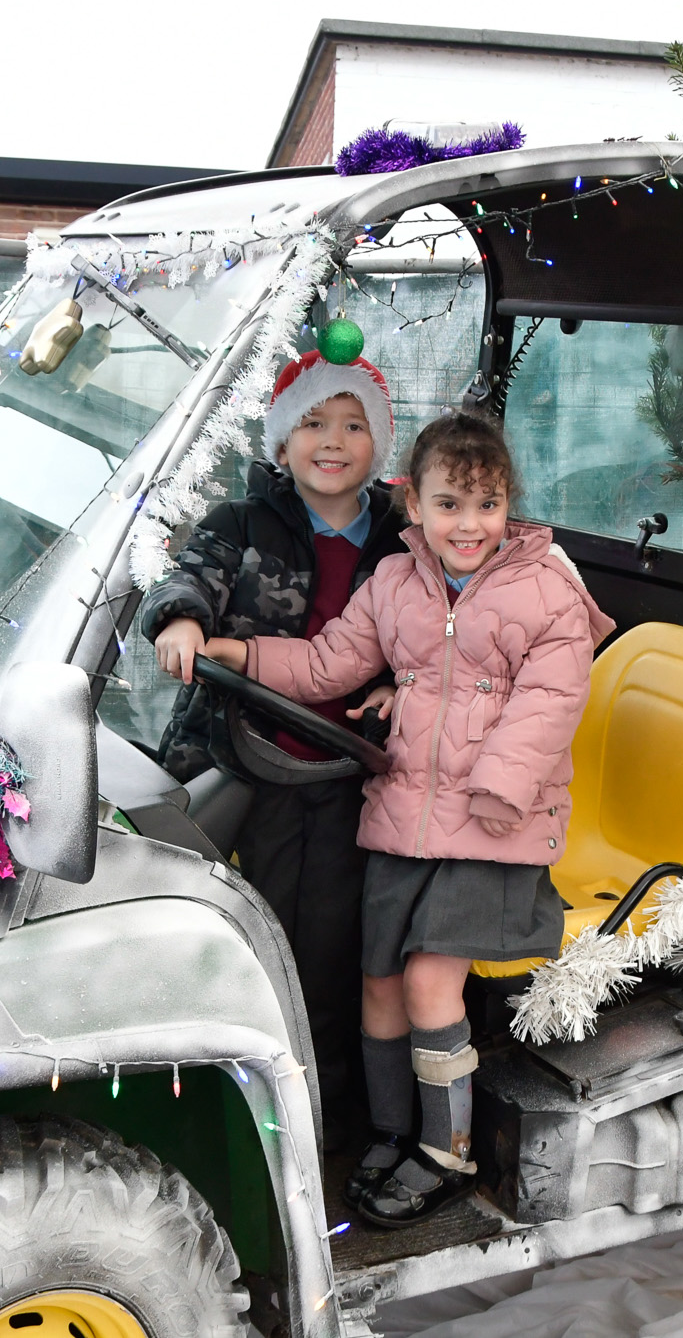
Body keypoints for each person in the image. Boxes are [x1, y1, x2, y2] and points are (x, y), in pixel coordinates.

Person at [204, 410, 616, 1227]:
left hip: (497, 828)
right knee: (381, 979)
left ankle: (448, 1148)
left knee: (430, 981)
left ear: (508, 505)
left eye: (487, 505)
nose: (470, 525)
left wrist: (499, 787)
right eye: (450, 505)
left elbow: (550, 701)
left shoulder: (547, 590)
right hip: (403, 818)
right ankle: (392, 1129)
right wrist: (243, 655)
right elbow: (331, 661)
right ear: (416, 506)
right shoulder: (395, 583)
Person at [139, 339, 408, 1149]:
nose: (333, 441)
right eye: (313, 423)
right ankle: (205, 1099)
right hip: (241, 759)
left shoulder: (404, 541)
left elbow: (443, 627)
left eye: (353, 424)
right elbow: (189, 576)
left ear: (378, 444)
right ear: (283, 441)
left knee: (325, 942)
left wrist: (406, 687)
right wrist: (182, 620)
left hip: (344, 769)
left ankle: (315, 1117)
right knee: (232, 930)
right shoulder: (241, 522)